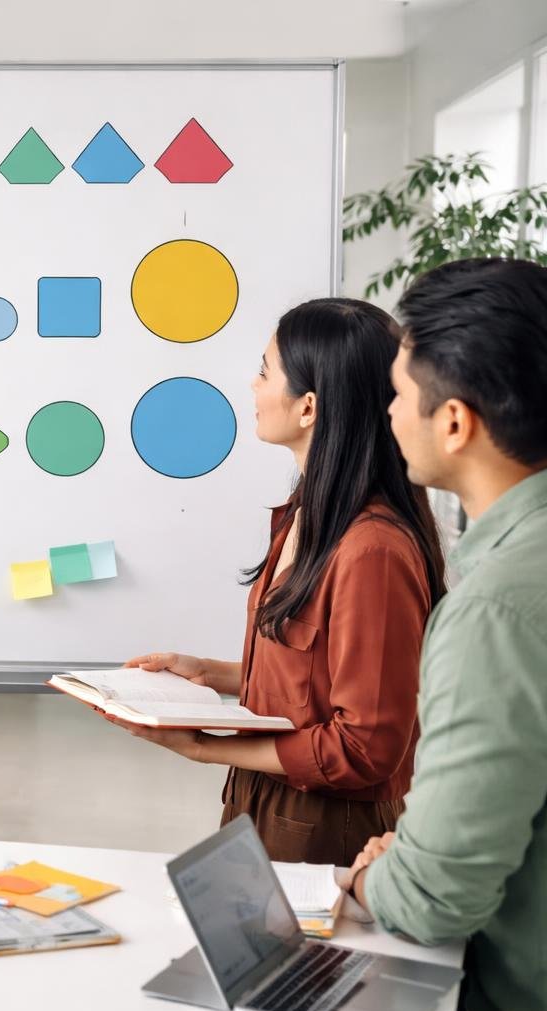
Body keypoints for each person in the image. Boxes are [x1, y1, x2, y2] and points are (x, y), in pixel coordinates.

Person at [106, 298, 446, 865]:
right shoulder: (304, 513)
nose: (253, 384)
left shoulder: (373, 552)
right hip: (261, 803)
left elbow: (366, 748)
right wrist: (210, 675)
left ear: (309, 406)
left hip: (327, 830)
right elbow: (319, 681)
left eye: (266, 370)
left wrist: (209, 748)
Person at [342, 258, 547, 1011]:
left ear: (454, 422)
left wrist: (370, 879)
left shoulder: (498, 606)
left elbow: (435, 900)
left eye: (398, 395)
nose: (390, 415)